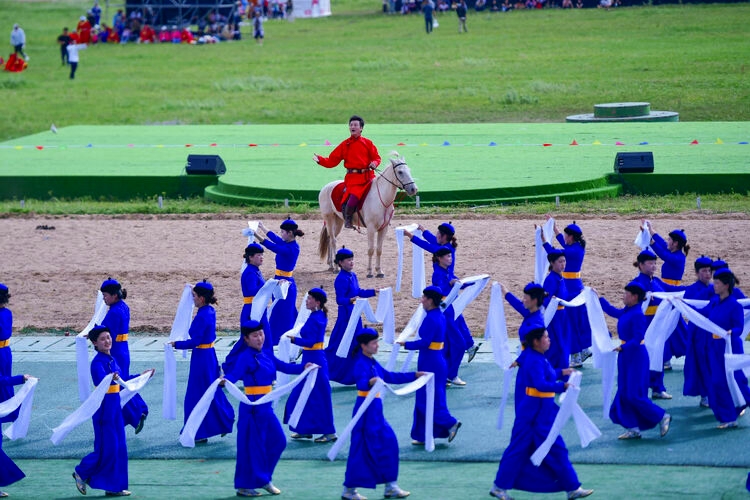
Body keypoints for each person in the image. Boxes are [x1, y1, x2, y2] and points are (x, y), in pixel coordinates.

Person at [489, 327, 593, 500]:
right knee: (522, 449)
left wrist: (562, 372)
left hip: (540, 412)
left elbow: (548, 375)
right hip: (533, 415)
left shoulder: (537, 357)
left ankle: (572, 487)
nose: (549, 339)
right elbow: (540, 384)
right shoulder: (534, 359)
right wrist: (563, 386)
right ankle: (499, 487)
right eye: (545, 337)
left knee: (551, 448)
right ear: (536, 342)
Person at [223, 320, 310, 497]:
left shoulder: (267, 353)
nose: (259, 338)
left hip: (266, 407)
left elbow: (284, 367)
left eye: (261, 334)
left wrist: (304, 367)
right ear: (246, 339)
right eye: (255, 336)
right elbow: (234, 375)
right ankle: (245, 485)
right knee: (251, 447)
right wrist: (224, 381)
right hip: (252, 409)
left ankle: (263, 478)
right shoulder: (245, 357)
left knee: (278, 441)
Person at [343, 329, 423, 500]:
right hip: (365, 412)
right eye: (373, 343)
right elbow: (362, 382)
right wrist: (370, 382)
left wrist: (415, 375)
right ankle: (349, 490)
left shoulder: (371, 361)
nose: (377, 345)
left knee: (389, 444)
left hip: (375, 412)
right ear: (364, 346)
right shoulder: (360, 363)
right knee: (361, 449)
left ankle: (390, 486)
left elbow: (389, 376)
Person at [73, 325, 153, 497]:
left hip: (115, 408)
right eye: (102, 339)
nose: (107, 341)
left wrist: (142, 375)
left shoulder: (112, 359)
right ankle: (81, 471)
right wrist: (112, 378)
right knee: (106, 448)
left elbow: (123, 379)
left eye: (108, 337)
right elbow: (102, 380)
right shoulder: (97, 363)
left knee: (118, 447)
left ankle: (113, 486)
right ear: (94, 343)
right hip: (104, 411)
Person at [598, 282, 672, 440]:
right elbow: (614, 311)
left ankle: (661, 416)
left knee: (633, 394)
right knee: (625, 392)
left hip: (635, 357)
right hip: (627, 357)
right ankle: (633, 428)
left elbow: (638, 337)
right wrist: (600, 299)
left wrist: (622, 348)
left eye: (626, 294)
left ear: (634, 297)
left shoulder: (637, 314)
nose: (623, 296)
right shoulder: (628, 310)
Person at [404, 222, 480, 365]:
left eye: (439, 234)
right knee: (459, 319)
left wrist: (410, 236)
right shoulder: (446, 245)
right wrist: (424, 231)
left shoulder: (444, 250)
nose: (437, 235)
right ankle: (470, 345)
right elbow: (433, 240)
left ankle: (456, 351)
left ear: (445, 237)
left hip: (445, 290)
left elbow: (430, 246)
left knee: (451, 322)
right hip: (450, 290)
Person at [170, 281, 234, 443]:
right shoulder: (209, 311)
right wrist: (195, 289)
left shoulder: (202, 316)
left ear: (202, 298)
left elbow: (194, 341)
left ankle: (198, 430)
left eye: (195, 296)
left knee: (196, 394)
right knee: (209, 391)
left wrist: (176, 344)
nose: (193, 299)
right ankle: (219, 422)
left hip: (201, 359)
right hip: (209, 355)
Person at [401, 286, 461, 446]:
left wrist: (405, 344)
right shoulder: (439, 316)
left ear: (430, 300)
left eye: (424, 298)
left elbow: (425, 342)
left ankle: (449, 423)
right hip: (436, 359)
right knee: (433, 396)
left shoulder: (431, 319)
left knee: (426, 398)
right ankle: (423, 434)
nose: (422, 300)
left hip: (430, 361)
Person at [695, 268, 750, 428]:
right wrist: (679, 305)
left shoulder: (734, 306)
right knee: (718, 381)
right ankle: (729, 416)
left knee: (735, 380)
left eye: (717, 283)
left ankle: (734, 411)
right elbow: (700, 313)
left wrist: (731, 332)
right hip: (714, 348)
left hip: (730, 348)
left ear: (726, 285)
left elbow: (739, 327)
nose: (714, 286)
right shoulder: (714, 302)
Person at [283, 288, 337, 442]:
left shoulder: (316, 318)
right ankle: (304, 428)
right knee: (304, 394)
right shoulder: (316, 315)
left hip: (314, 360)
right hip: (311, 357)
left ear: (317, 302)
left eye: (309, 299)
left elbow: (311, 342)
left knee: (319, 396)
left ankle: (329, 431)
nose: (306, 301)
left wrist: (294, 340)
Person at [630, 250, 682, 400]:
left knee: (658, 355)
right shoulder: (636, 284)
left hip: (658, 324)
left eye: (654, 263)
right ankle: (640, 389)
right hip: (644, 325)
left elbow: (674, 290)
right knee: (643, 358)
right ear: (640, 265)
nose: (653, 266)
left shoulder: (657, 281)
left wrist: (695, 289)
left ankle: (657, 388)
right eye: (650, 263)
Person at [313, 115, 381, 229]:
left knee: (381, 192)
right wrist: (320, 160)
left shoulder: (368, 143)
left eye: (355, 125)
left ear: (361, 128)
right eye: (351, 125)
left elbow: (377, 157)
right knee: (354, 196)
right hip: (353, 180)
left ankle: (385, 216)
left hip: (369, 176)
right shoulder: (345, 145)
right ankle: (348, 219)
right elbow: (332, 161)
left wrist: (374, 163)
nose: (352, 127)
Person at [99, 278, 149, 433]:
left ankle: (138, 411)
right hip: (123, 348)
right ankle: (137, 410)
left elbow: (107, 333)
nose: (104, 299)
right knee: (122, 381)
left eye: (105, 295)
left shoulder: (113, 312)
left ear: (114, 295)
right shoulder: (123, 307)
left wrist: (94, 334)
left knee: (120, 384)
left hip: (115, 351)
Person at [642, 222, 691, 370]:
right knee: (672, 327)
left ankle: (668, 357)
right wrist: (651, 231)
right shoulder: (675, 252)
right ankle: (667, 357)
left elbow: (662, 253)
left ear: (676, 244)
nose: (667, 241)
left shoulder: (678, 258)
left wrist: (650, 241)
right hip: (666, 292)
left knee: (669, 326)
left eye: (670, 240)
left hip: (671, 293)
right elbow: (663, 246)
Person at [325, 247, 376, 385]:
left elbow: (358, 291)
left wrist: (373, 292)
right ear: (340, 263)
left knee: (356, 346)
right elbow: (339, 300)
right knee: (340, 345)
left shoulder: (353, 276)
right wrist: (350, 300)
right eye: (348, 260)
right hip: (346, 317)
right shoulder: (340, 279)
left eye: (352, 259)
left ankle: (356, 374)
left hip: (355, 315)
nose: (351, 262)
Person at [547, 217, 591, 368]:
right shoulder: (577, 247)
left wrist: (544, 242)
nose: (564, 238)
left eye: (566, 235)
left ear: (571, 236)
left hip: (570, 289)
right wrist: (555, 229)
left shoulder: (572, 251)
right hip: (574, 285)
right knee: (577, 320)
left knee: (571, 323)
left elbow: (555, 253)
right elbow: (564, 244)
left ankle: (577, 355)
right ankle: (582, 350)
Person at [224, 243, 272, 375]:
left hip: (258, 309)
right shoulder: (250, 272)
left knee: (261, 340)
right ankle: (230, 366)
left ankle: (263, 368)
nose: (261, 257)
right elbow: (252, 291)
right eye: (258, 255)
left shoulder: (254, 270)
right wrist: (269, 286)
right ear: (250, 257)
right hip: (252, 310)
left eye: (262, 255)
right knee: (248, 341)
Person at [254, 219, 303, 346]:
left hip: (285, 284)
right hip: (278, 282)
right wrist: (262, 227)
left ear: (290, 233)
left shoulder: (292, 248)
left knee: (284, 314)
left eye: (283, 232)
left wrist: (255, 235)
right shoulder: (287, 243)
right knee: (278, 312)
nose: (281, 234)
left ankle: (282, 339)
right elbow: (275, 238)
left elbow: (273, 247)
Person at [430, 247, 474, 386]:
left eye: (451, 256)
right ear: (440, 258)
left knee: (449, 345)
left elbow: (458, 284)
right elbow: (440, 291)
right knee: (459, 344)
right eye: (448, 256)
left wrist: (476, 281)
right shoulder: (438, 273)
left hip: (454, 310)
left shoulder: (448, 271)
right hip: (447, 312)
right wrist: (450, 284)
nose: (451, 258)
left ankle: (445, 376)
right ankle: (452, 374)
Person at [682, 256, 715, 407]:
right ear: (696, 273)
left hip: (714, 332)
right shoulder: (692, 290)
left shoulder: (717, 287)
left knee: (714, 364)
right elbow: (691, 310)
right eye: (704, 271)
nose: (707, 274)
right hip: (699, 334)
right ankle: (705, 395)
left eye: (709, 271)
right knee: (702, 364)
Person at [541, 248, 571, 371]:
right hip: (554, 318)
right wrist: (552, 301)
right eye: (560, 262)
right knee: (555, 346)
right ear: (552, 263)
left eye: (564, 261)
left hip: (562, 316)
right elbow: (544, 300)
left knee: (563, 344)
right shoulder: (551, 280)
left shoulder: (560, 278)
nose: (563, 264)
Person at [0, 283, 21, 425]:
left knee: (3, 381)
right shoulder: (7, 312)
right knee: (6, 381)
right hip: (6, 351)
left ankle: (8, 413)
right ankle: (12, 412)